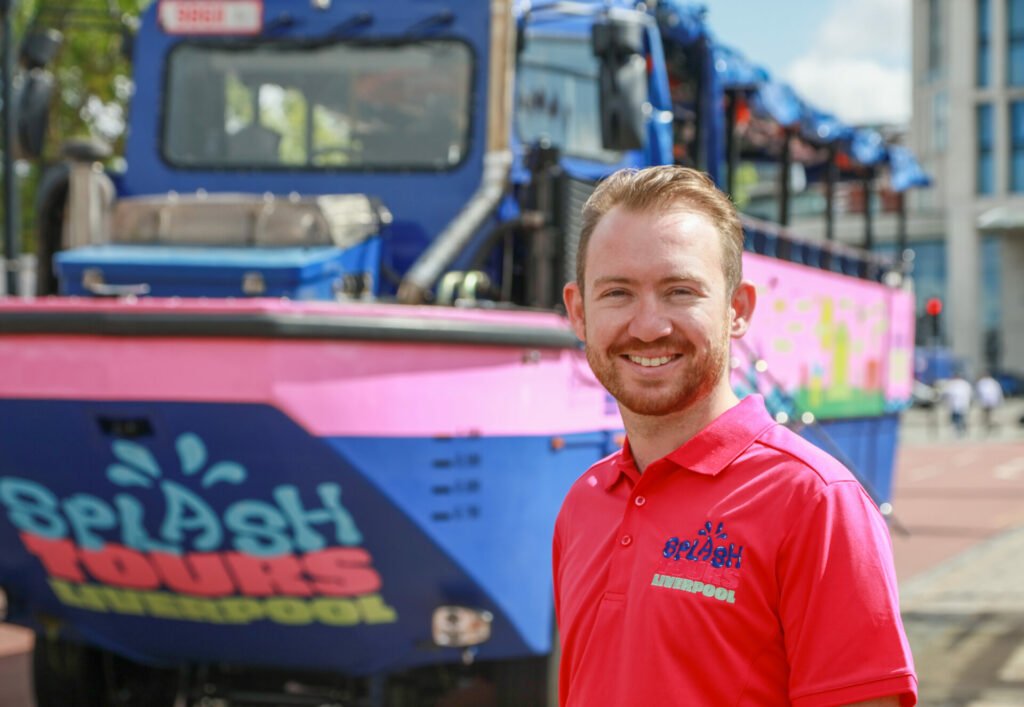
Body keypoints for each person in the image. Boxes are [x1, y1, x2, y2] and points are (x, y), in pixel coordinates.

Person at [554, 165, 917, 706]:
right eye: (617, 294)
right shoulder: (583, 503)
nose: (649, 325)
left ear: (737, 310)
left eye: (679, 291)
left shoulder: (816, 503)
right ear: (579, 312)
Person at [942, 373, 973, 437]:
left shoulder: (954, 384)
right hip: (957, 404)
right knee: (957, 418)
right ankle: (959, 430)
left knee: (959, 418)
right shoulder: (963, 384)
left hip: (960, 404)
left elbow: (945, 394)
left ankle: (961, 430)